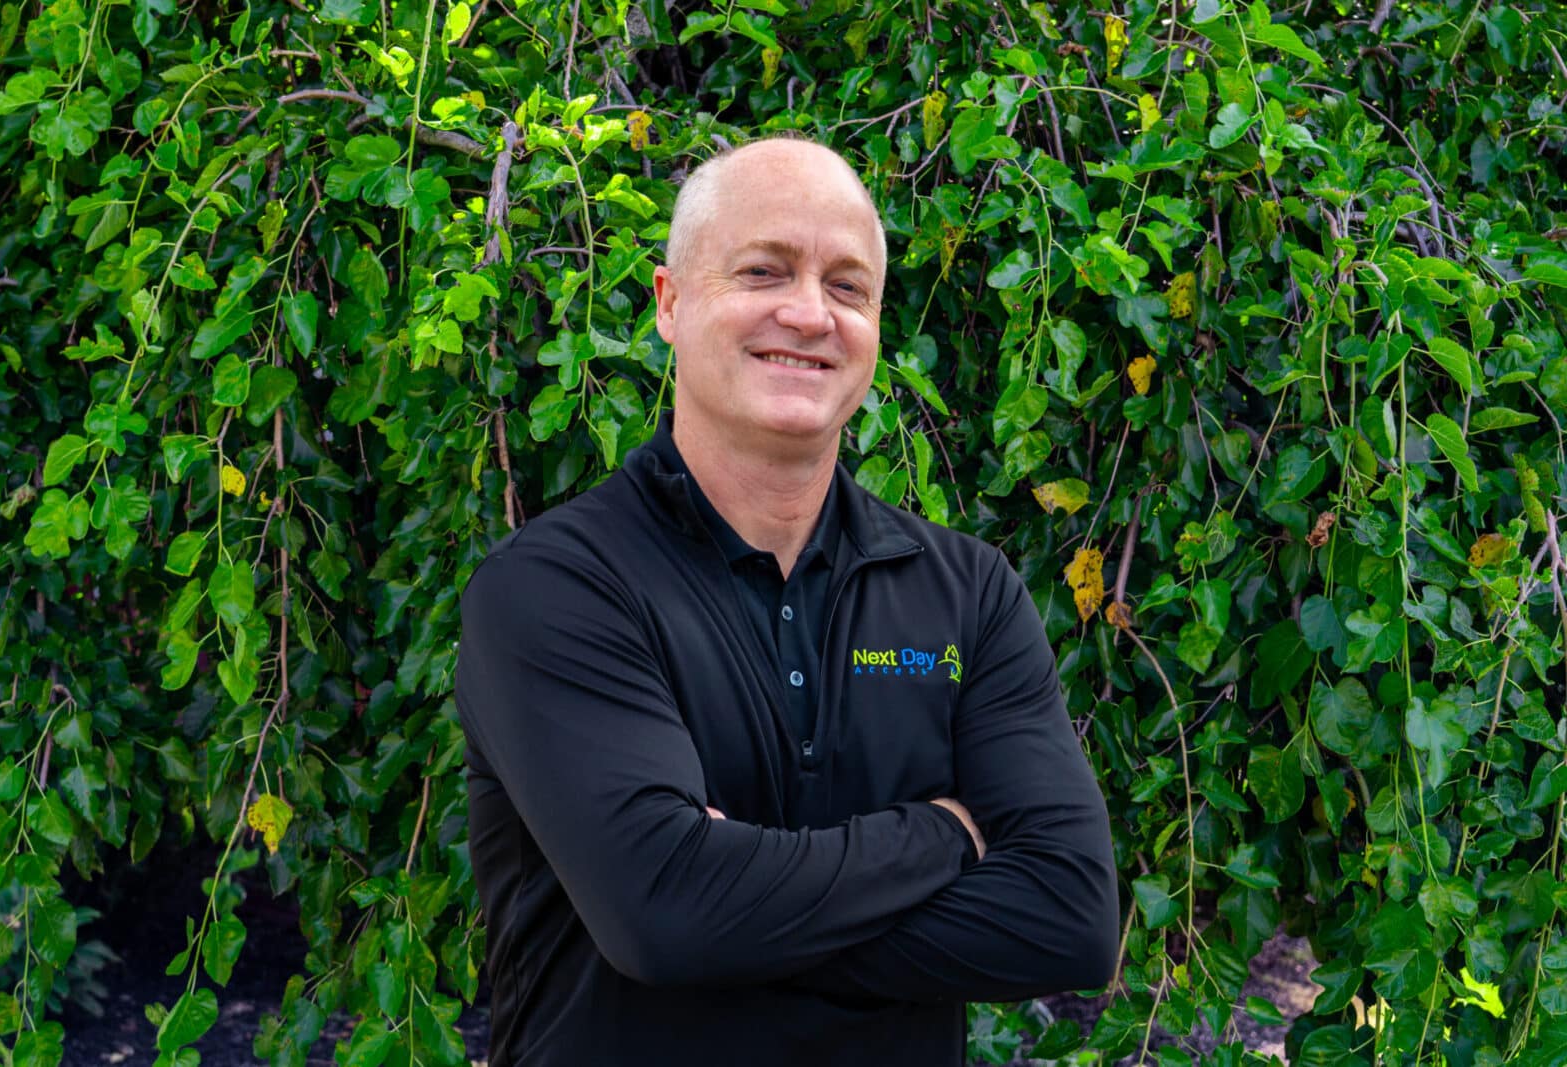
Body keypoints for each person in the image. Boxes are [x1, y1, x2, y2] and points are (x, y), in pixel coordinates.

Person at [456, 135, 1118, 1067]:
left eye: (848, 287)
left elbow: (1069, 919)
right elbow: (666, 917)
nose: (809, 313)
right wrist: (940, 834)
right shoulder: (557, 588)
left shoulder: (967, 594)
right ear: (670, 303)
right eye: (764, 270)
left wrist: (733, 907)